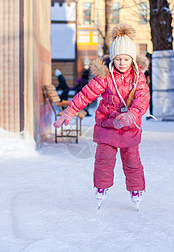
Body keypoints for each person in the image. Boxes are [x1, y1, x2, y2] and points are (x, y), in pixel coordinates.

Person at [53, 23, 150, 210]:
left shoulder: (138, 78)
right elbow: (87, 94)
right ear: (113, 59)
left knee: (132, 161)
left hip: (130, 127)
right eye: (118, 59)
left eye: (125, 59)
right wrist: (71, 110)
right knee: (104, 160)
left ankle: (136, 190)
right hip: (107, 125)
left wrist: (132, 114)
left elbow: (142, 99)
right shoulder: (105, 77)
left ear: (132, 59)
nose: (122, 63)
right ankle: (101, 188)